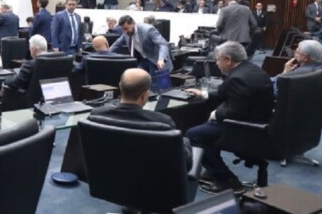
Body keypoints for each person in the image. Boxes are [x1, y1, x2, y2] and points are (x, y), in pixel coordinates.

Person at [185, 42, 274, 194]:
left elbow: (235, 113)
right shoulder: (252, 69)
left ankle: (228, 180)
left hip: (243, 128)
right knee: (206, 130)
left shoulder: (236, 79)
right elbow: (226, 94)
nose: (217, 64)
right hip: (261, 124)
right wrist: (204, 94)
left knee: (193, 135)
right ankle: (213, 169)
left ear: (228, 59)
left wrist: (215, 114)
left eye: (217, 59)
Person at [90, 68, 193, 167]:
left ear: (120, 87)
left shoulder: (97, 115)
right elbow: (186, 162)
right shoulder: (163, 122)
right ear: (145, 95)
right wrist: (185, 141)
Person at [0, 34, 47, 101]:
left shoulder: (30, 64)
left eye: (30, 48)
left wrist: (5, 82)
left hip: (24, 98)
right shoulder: (54, 62)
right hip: (44, 98)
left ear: (34, 49)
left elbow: (17, 82)